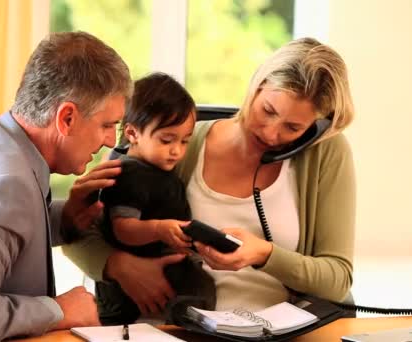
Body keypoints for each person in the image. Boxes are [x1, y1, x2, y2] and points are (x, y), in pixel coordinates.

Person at [63, 37, 355, 314]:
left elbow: (337, 278)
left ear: (316, 128)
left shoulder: (325, 153)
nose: (270, 133)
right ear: (257, 86)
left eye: (293, 128)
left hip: (271, 331)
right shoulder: (174, 144)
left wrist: (265, 255)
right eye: (267, 110)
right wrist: (120, 266)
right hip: (170, 328)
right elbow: (76, 231)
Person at [0, 31, 133, 341]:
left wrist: (63, 220)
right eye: (107, 125)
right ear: (66, 118)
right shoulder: (6, 186)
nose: (112, 140)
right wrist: (59, 310)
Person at [93, 72, 215, 324]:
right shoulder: (129, 173)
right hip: (127, 288)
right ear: (133, 133)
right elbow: (122, 228)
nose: (177, 151)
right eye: (167, 140)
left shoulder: (158, 170)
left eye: (184, 141)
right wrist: (159, 229)